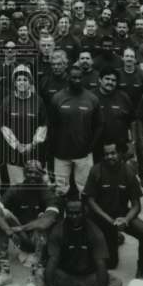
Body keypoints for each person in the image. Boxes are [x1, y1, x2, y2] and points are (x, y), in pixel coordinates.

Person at [37, 193, 122, 286]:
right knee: (40, 273)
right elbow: (52, 261)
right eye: (70, 213)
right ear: (66, 213)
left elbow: (101, 264)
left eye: (77, 213)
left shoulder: (95, 232)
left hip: (88, 280)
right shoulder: (58, 230)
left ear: (84, 213)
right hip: (65, 279)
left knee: (116, 281)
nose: (74, 216)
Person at [0, 160, 59, 286]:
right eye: (29, 172)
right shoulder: (16, 189)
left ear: (41, 175)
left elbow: (49, 219)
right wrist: (7, 229)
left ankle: (36, 274)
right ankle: (4, 272)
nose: (33, 175)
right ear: (24, 173)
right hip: (21, 238)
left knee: (42, 220)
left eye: (36, 173)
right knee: (2, 217)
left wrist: (22, 228)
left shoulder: (46, 192)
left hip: (40, 242)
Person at [83, 141, 143, 281]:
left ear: (120, 153)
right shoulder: (96, 170)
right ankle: (113, 238)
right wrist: (108, 219)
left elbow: (136, 205)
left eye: (113, 153)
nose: (110, 157)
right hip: (101, 217)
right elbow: (90, 200)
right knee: (111, 264)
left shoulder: (128, 172)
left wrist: (126, 220)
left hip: (121, 216)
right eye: (106, 154)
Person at [50, 66, 101, 195]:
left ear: (83, 78)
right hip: (61, 154)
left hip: (83, 154)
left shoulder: (92, 99)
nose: (77, 80)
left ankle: (85, 214)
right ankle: (60, 213)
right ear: (68, 78)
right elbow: (51, 126)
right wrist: (54, 147)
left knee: (85, 189)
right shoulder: (57, 98)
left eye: (79, 77)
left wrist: (91, 146)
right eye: (74, 77)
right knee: (60, 190)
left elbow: (99, 125)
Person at [0, 65, 48, 185]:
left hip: (35, 153)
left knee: (36, 185)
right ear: (14, 83)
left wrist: (32, 144)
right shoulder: (7, 101)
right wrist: (17, 145)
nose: (22, 82)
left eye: (25, 80)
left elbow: (43, 125)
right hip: (14, 154)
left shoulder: (38, 101)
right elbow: (4, 127)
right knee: (18, 187)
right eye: (19, 80)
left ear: (30, 82)